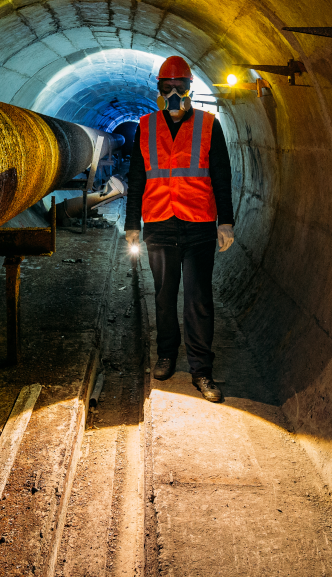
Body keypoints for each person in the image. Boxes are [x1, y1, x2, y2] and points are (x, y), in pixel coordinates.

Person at [125, 55, 234, 402]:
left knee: (199, 299)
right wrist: (131, 224)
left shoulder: (208, 124)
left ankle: (202, 370)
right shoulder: (146, 126)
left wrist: (226, 221)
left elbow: (221, 175)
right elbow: (137, 178)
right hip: (158, 223)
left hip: (199, 224)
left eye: (180, 87)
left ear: (190, 89)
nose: (174, 93)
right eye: (167, 88)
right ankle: (167, 354)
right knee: (163, 295)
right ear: (158, 90)